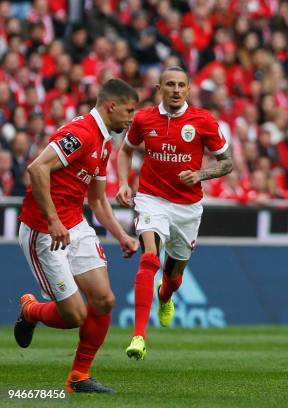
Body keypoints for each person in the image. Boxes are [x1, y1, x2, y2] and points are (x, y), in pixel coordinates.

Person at [14, 79, 140, 393]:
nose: (131, 118)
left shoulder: (106, 140)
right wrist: (54, 221)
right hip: (44, 230)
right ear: (111, 106)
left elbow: (97, 199)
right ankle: (30, 311)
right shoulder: (81, 133)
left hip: (74, 224)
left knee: (104, 300)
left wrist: (121, 235)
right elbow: (37, 169)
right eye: (129, 110)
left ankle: (78, 377)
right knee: (74, 316)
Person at [116, 66, 233, 360]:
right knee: (149, 258)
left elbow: (227, 162)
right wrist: (122, 182)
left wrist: (201, 174)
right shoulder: (143, 118)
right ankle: (139, 336)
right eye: (170, 84)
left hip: (188, 207)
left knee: (174, 275)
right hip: (151, 199)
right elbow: (126, 150)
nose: (176, 90)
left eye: (181, 85)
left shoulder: (203, 120)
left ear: (189, 89)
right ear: (160, 88)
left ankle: (165, 295)